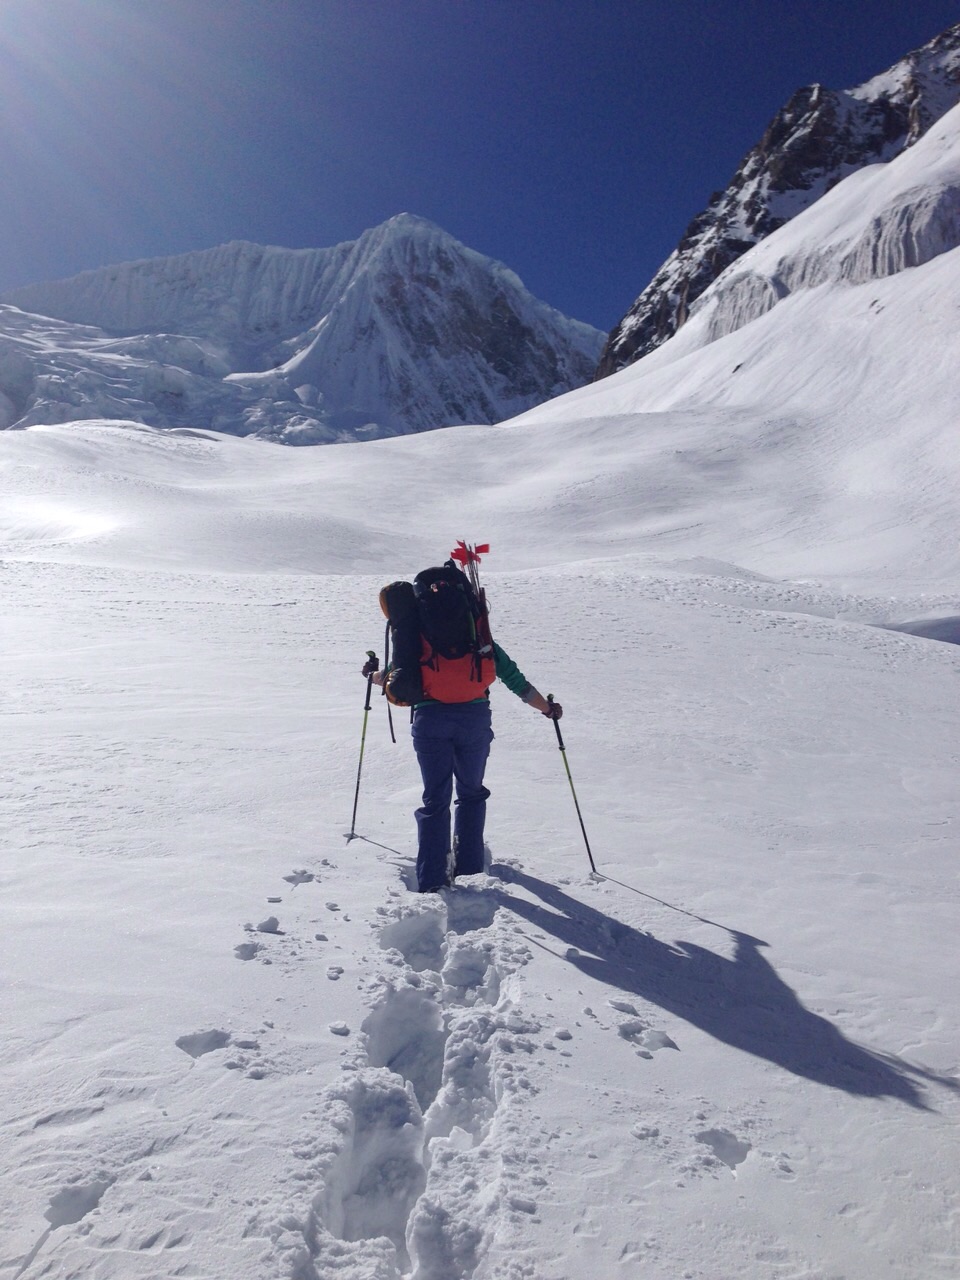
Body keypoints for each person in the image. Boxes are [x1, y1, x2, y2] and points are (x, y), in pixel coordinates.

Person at [362, 636, 561, 893]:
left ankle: (433, 880)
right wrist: (547, 709)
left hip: (430, 720)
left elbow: (390, 676)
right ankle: (470, 871)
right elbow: (517, 682)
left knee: (435, 799)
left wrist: (371, 674)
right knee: (471, 794)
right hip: (474, 720)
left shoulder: (415, 637)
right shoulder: (479, 636)